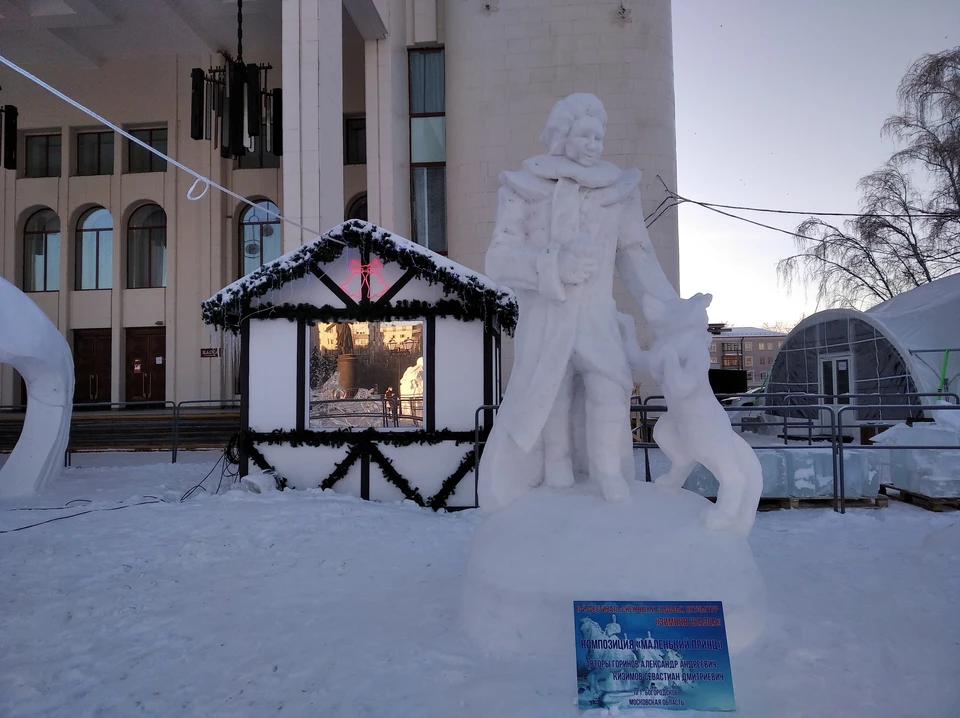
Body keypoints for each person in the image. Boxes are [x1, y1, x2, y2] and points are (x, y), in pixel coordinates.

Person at [478, 93, 681, 513]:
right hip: (546, 318)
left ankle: (608, 472)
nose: (595, 145)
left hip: (596, 316)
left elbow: (638, 255)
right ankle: (557, 469)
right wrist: (552, 266)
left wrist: (673, 311)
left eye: (600, 137)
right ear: (562, 135)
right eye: (586, 136)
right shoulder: (522, 187)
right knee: (552, 392)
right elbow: (498, 260)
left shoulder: (618, 190)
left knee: (610, 385)